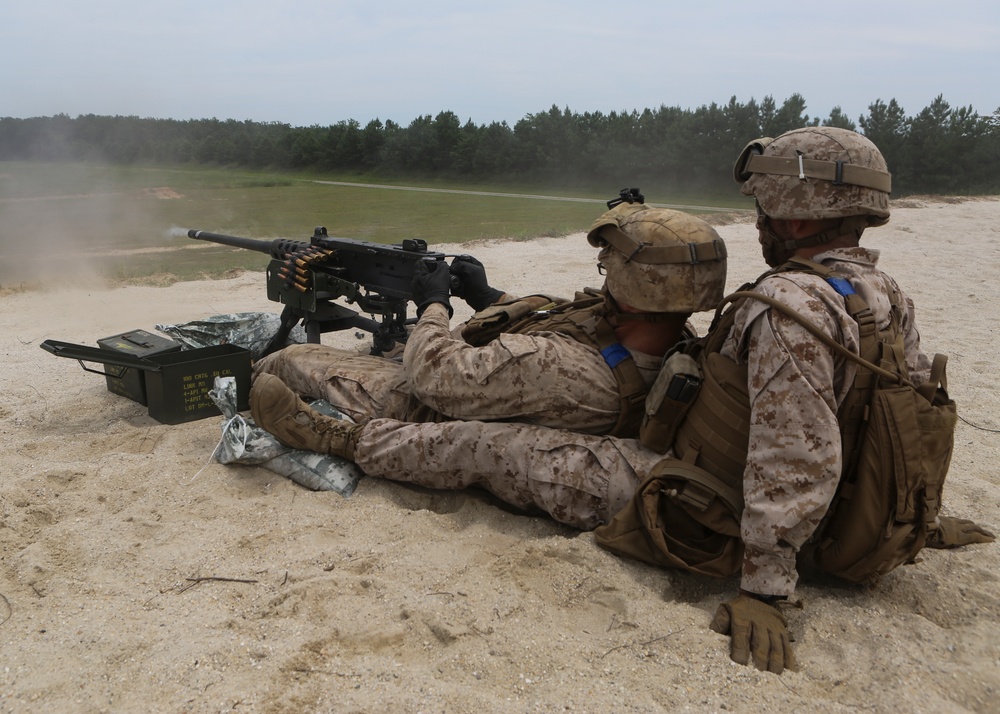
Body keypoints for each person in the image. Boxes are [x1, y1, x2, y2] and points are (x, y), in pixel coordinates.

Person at [248, 128, 994, 673]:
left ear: (803, 210)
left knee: (503, 447)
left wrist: (768, 588)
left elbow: (795, 452)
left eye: (768, 207)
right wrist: (906, 512)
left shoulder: (785, 309)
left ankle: (338, 439)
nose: (761, 221)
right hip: (824, 503)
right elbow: (897, 414)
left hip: (712, 504)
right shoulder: (874, 290)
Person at [252, 202, 727, 437]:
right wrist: (491, 298)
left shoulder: (553, 367)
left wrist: (433, 304)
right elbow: (567, 322)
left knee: (296, 357)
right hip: (488, 377)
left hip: (438, 394)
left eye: (610, 267)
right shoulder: (670, 333)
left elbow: (434, 376)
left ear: (634, 284)